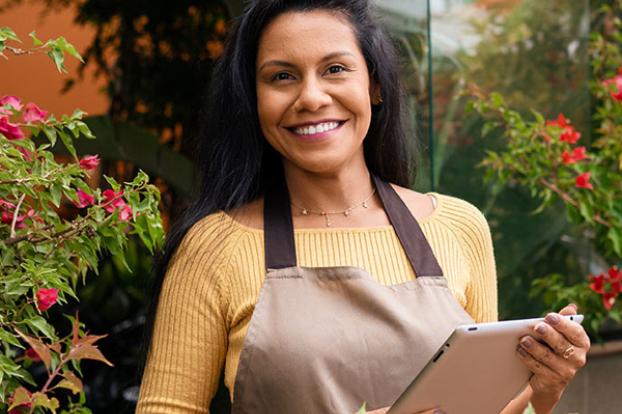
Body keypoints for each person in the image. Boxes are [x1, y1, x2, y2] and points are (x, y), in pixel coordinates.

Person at [136, 0, 590, 413]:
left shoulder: (458, 226)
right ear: (254, 101)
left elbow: (485, 408)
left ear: (374, 85)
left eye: (335, 69)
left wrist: (544, 390)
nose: (311, 97)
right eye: (282, 76)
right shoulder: (215, 246)